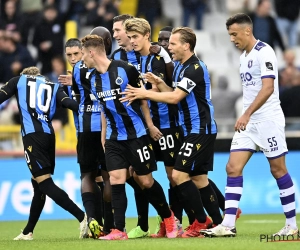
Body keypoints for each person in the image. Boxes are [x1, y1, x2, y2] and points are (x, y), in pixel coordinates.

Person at [200, 13, 298, 237]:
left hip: (268, 120)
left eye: (234, 34)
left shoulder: (265, 52)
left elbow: (268, 88)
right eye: (229, 35)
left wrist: (246, 113)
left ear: (247, 31)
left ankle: (291, 225)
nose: (232, 39)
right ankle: (228, 224)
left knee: (278, 169)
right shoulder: (243, 57)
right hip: (249, 123)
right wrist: (247, 116)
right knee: (232, 167)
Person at [121, 26, 222, 238]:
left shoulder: (194, 67)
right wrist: (158, 83)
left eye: (173, 43)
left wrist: (144, 93)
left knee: (178, 175)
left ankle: (200, 222)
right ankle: (219, 223)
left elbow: (175, 98)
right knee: (199, 178)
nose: (169, 47)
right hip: (190, 130)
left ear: (187, 45)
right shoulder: (179, 67)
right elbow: (174, 93)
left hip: (200, 129)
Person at [81, 34, 179, 240]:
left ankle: (169, 218)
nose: (82, 59)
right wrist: (104, 136)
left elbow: (143, 98)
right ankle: (119, 230)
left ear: (91, 52)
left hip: (137, 134)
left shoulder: (125, 69)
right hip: (114, 138)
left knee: (145, 181)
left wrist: (150, 125)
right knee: (116, 179)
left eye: (82, 54)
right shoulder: (91, 78)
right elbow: (103, 109)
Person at [0, 67, 88, 240]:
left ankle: (82, 217)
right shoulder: (53, 86)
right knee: (38, 185)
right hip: (49, 136)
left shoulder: (18, 81)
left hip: (33, 138)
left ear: (26, 75)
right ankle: (28, 232)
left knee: (45, 183)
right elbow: (68, 103)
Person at [124, 17, 184, 238]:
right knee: (138, 175)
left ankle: (178, 221)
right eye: (129, 37)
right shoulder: (134, 61)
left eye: (135, 37)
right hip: (146, 127)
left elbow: (165, 92)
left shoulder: (159, 58)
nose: (132, 41)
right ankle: (167, 217)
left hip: (166, 125)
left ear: (147, 36)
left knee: (174, 176)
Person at [59, 27, 113, 238]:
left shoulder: (79, 71)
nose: (73, 58)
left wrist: (66, 94)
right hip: (104, 128)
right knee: (109, 177)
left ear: (84, 51)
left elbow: (80, 100)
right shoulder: (106, 66)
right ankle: (110, 226)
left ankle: (92, 221)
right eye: (69, 55)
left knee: (88, 175)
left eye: (76, 53)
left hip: (86, 128)